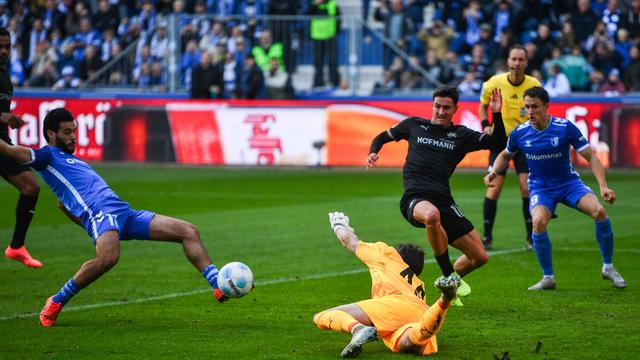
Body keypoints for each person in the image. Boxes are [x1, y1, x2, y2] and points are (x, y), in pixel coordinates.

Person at [0, 108, 229, 327]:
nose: (73, 137)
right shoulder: (46, 156)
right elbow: (11, 152)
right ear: (51, 134)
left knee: (188, 231)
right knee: (108, 258)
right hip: (102, 213)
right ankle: (56, 301)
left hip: (123, 213)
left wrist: (91, 227)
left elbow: (63, 204)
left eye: (74, 131)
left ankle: (218, 284)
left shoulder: (73, 160)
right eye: (67, 132)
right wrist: (94, 223)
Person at [366, 86, 506, 304]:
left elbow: (498, 142)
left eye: (446, 108)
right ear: (432, 105)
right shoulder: (413, 125)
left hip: (444, 201)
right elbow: (382, 136)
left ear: (455, 109)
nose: (441, 112)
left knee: (479, 257)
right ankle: (449, 274)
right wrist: (374, 152)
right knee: (431, 216)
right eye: (437, 106)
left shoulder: (461, 135)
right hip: (415, 199)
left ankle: (446, 283)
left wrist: (496, 113)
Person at [485, 86, 628, 291]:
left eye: (535, 107)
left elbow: (592, 157)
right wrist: (493, 171)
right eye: (527, 107)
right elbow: (505, 155)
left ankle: (608, 267)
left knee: (599, 211)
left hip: (569, 184)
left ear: (546, 107)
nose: (530, 112)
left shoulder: (564, 127)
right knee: (538, 223)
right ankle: (548, 278)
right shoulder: (520, 133)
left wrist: (603, 186)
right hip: (541, 188)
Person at [313, 212, 460, 358]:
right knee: (411, 342)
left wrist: (338, 225)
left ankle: (357, 329)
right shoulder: (418, 284)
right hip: (420, 312)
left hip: (394, 304)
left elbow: (347, 240)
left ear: (398, 254)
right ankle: (444, 301)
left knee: (321, 317)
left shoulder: (388, 255)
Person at [478, 44, 541, 251]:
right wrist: (485, 125)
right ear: (508, 60)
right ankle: (487, 237)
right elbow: (483, 104)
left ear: (526, 62)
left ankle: (531, 238)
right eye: (513, 59)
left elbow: (541, 110)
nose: (516, 63)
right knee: (494, 188)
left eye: (520, 60)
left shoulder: (534, 85)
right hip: (500, 142)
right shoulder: (494, 82)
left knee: (526, 188)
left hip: (525, 142)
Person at [0, 27, 42, 268]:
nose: (4, 51)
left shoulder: (5, 76)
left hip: (2, 144)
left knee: (31, 187)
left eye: (8, 46)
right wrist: (3, 117)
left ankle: (16, 246)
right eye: (0, 47)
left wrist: (6, 120)